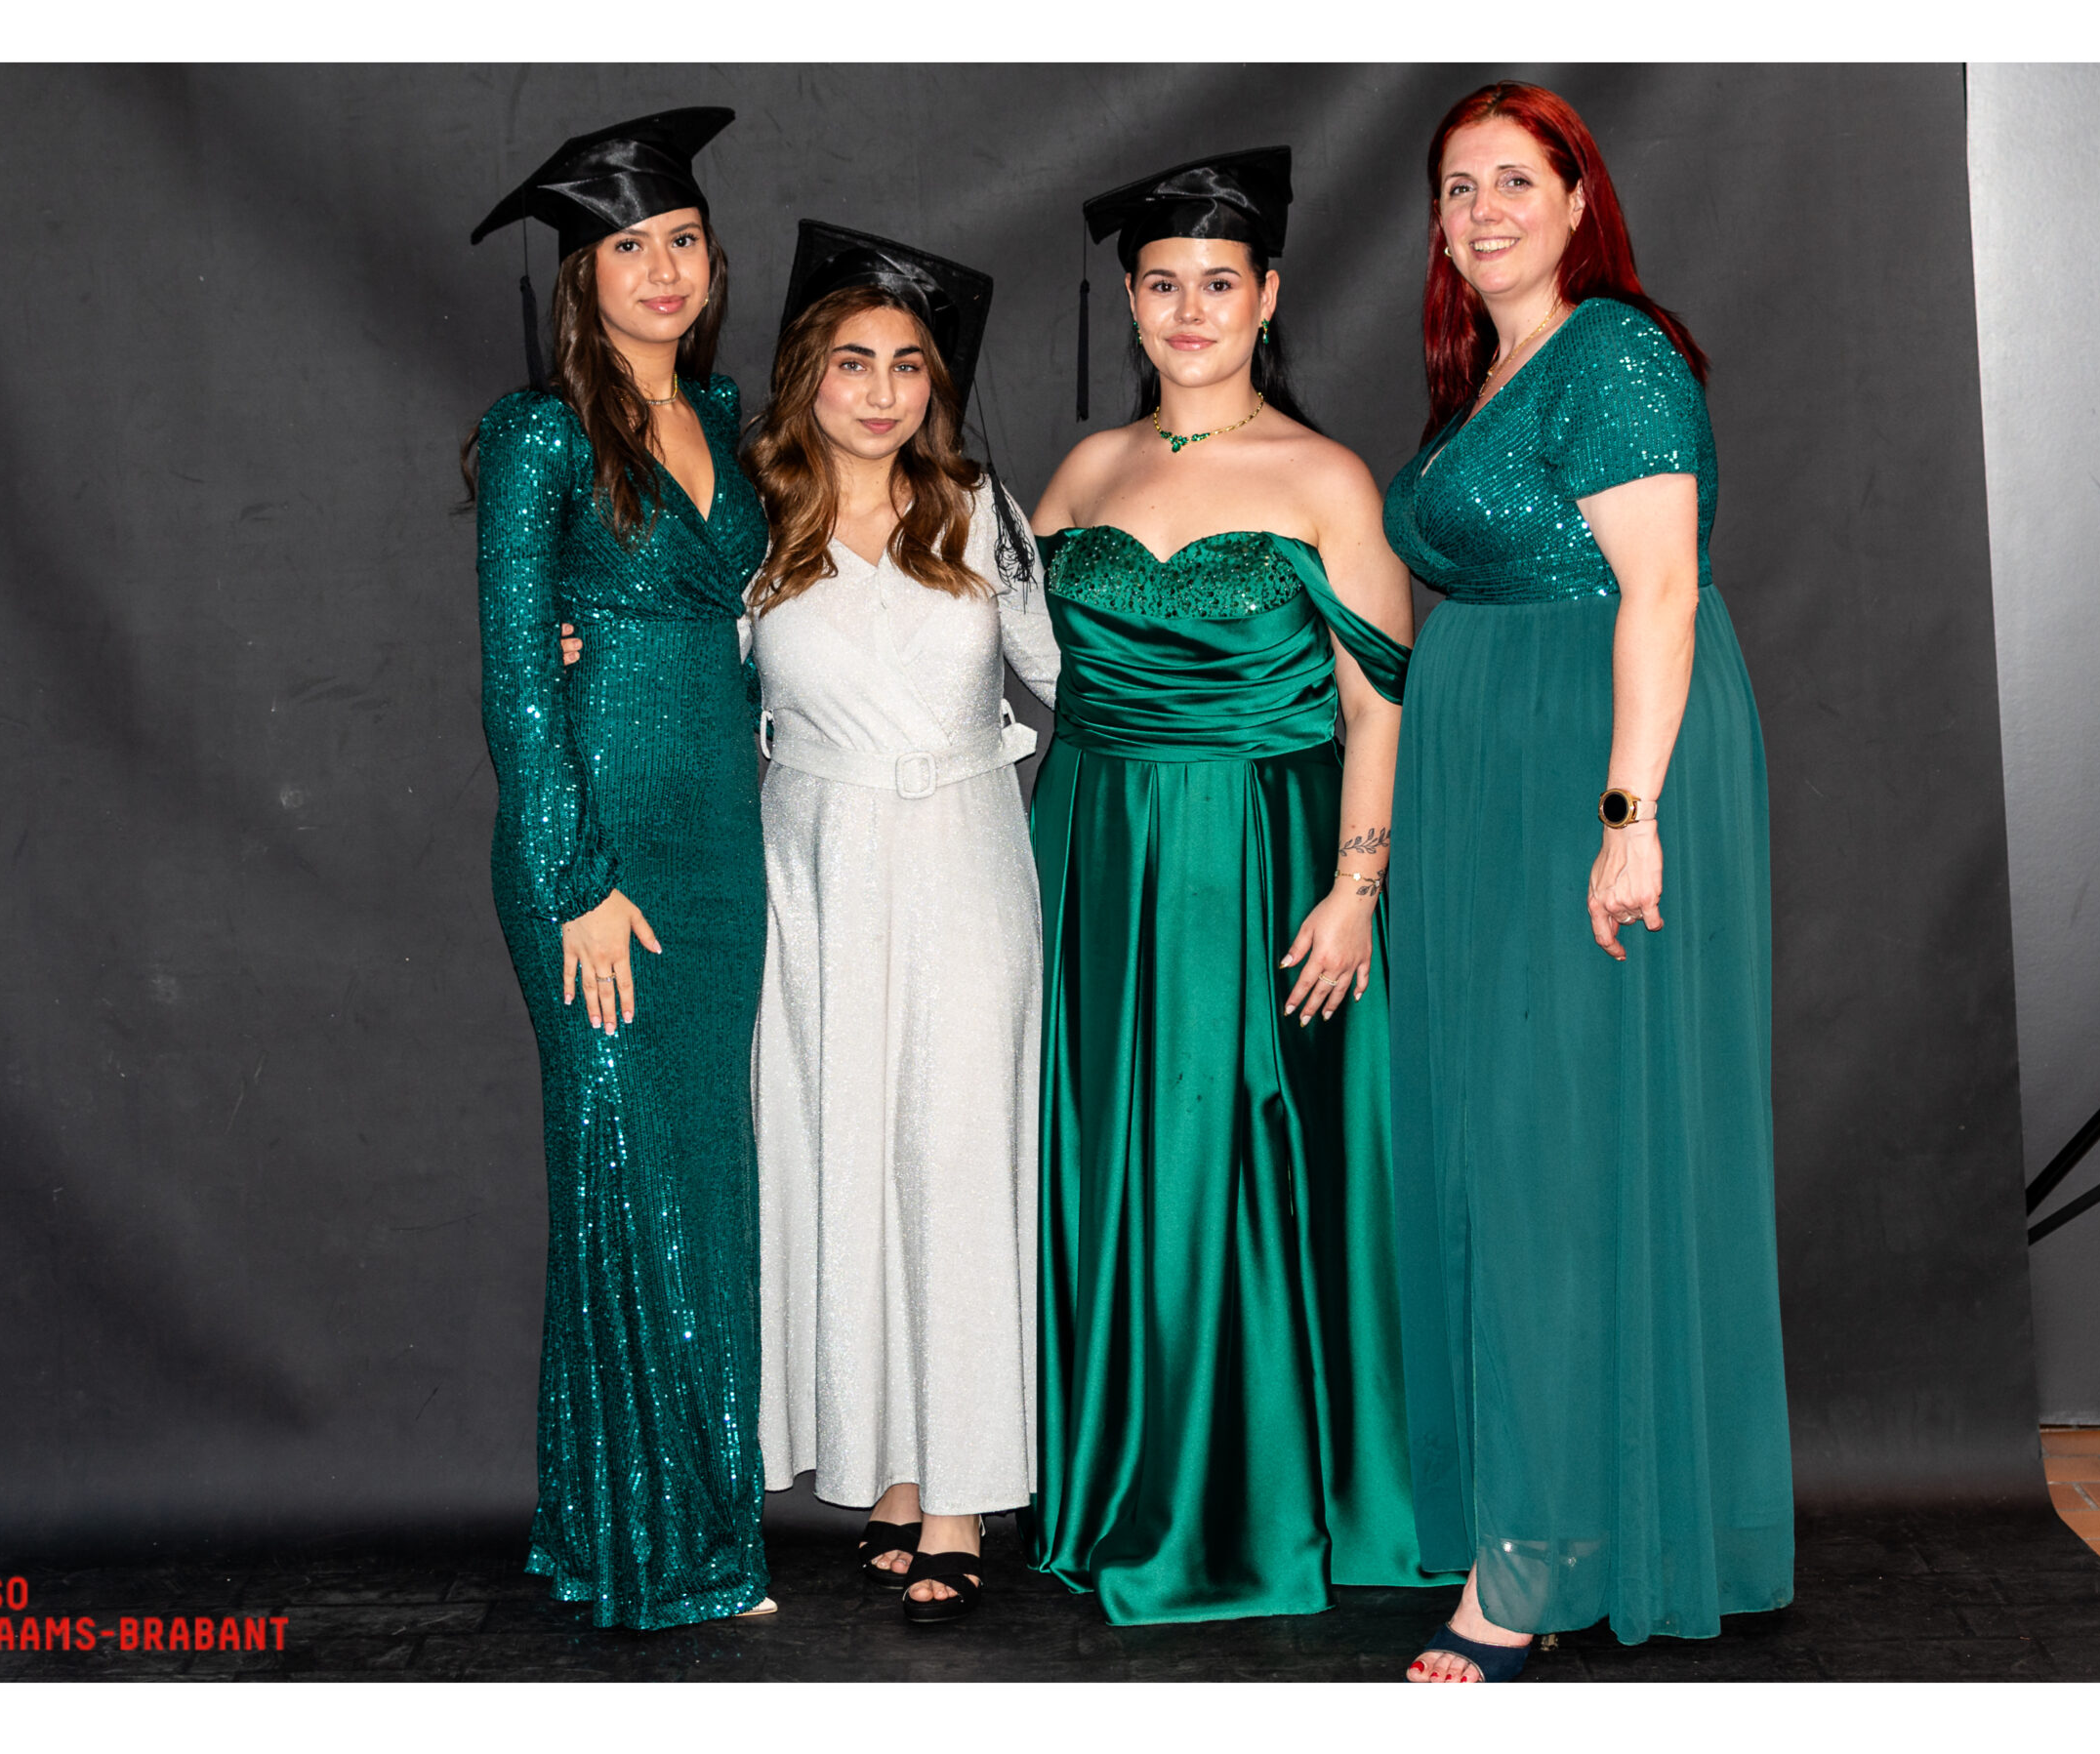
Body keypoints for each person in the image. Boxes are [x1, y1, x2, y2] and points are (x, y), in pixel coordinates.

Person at [1382, 81, 1794, 1682]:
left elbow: (1663, 591)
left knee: (1556, 1154)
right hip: (1488, 775)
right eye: (1457, 186)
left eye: (1513, 181)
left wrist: (1629, 813)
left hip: (1594, 761)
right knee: (1505, 1149)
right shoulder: (1491, 371)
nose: (1482, 210)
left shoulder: (1615, 350)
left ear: (1576, 200)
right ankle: (1556, 1516)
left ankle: (1537, 1564)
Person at [1025, 146, 1449, 1625]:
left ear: (1269, 297)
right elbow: (976, 645)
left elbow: (1380, 704)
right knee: (1114, 1167)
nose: (1190, 311)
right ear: (1132, 303)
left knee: (1238, 1160)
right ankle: (1123, 1481)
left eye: (1219, 284)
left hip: (1261, 856)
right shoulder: (1083, 472)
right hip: (1093, 855)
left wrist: (1357, 890)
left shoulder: (1326, 477)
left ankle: (1248, 1507)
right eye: (1164, 286)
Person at [466, 106, 776, 1629]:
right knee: (623, 1169)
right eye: (629, 247)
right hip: (594, 851)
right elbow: (516, 678)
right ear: (583, 278)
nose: (663, 269)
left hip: (720, 839)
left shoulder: (727, 413)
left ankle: (645, 1518)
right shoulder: (539, 435)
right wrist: (574, 874)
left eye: (683, 241)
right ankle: (658, 1546)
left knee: (704, 1179)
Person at [741, 223, 1058, 1627]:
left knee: (957, 1160)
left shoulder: (982, 512)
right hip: (811, 869)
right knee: (844, 1158)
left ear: (938, 382)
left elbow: (1071, 673)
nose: (881, 393)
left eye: (909, 365)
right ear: (806, 374)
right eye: (852, 362)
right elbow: (685, 680)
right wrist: (584, 644)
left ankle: (963, 1491)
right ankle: (890, 1465)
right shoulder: (747, 524)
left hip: (965, 854)